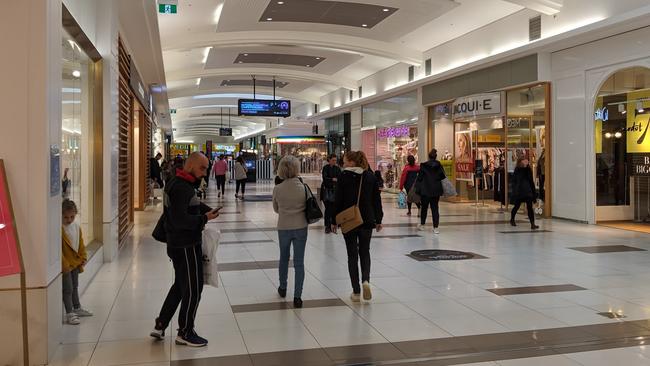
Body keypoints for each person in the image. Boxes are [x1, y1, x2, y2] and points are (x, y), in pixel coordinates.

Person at [151, 152, 221, 347]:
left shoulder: (177, 182)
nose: (205, 172)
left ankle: (161, 323)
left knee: (181, 286)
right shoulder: (182, 188)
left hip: (176, 244)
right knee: (193, 289)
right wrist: (205, 218)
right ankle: (186, 332)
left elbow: (189, 206)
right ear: (191, 166)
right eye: (202, 168)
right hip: (186, 245)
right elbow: (181, 220)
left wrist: (206, 210)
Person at [331, 151, 383, 302]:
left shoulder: (343, 177)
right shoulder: (370, 177)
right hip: (367, 219)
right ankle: (365, 280)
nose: (344, 164)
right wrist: (378, 219)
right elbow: (376, 201)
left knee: (352, 255)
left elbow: (338, 200)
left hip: (349, 220)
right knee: (365, 252)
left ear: (353, 163)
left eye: (346, 161)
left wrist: (333, 220)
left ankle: (356, 292)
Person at [272, 156, 309, 308]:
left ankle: (283, 287)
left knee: (284, 258)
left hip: (284, 227)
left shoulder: (278, 189)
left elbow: (276, 209)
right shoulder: (303, 187)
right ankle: (298, 297)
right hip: (301, 227)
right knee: (299, 262)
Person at [61, 199, 93, 325]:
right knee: (67, 289)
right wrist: (64, 265)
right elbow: (59, 250)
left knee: (74, 286)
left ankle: (77, 307)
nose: (69, 220)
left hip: (75, 263)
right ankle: (69, 312)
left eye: (72, 217)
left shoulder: (76, 227)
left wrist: (83, 257)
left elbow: (80, 243)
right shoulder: (59, 228)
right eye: (66, 217)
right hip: (66, 266)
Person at [416, 149, 445, 234]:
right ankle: (436, 227)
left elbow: (420, 178)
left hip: (425, 190)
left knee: (424, 208)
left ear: (429, 157)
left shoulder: (423, 165)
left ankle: (422, 225)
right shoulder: (439, 165)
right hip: (436, 190)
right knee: (435, 208)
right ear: (435, 156)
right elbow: (442, 176)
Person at [510, 157, 539, 230]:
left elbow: (531, 181)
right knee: (516, 206)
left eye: (527, 160)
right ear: (521, 161)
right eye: (524, 160)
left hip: (528, 191)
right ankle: (512, 219)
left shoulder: (528, 170)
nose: (527, 161)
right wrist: (515, 190)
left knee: (530, 208)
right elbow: (514, 181)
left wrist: (533, 193)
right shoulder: (518, 169)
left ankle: (532, 224)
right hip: (520, 191)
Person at [321, 154, 341, 234]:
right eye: (333, 160)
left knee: (333, 209)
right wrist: (333, 179)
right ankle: (327, 226)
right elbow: (325, 179)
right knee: (328, 209)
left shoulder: (337, 168)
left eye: (335, 160)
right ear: (329, 160)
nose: (334, 162)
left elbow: (339, 179)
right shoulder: (325, 168)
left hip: (335, 192)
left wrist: (333, 180)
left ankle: (333, 224)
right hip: (327, 192)